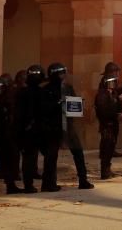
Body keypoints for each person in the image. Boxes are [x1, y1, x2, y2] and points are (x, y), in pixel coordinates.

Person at [37, 63, 93, 191]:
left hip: (68, 125)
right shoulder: (46, 90)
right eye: (61, 73)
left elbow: (73, 104)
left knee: (78, 152)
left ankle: (83, 180)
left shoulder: (68, 87)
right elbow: (44, 108)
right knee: (51, 156)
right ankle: (48, 183)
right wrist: (57, 103)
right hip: (53, 127)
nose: (64, 76)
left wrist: (78, 104)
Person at [16, 64, 44, 193]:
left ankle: (30, 181)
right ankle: (28, 184)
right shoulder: (37, 92)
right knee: (29, 157)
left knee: (30, 156)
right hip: (30, 128)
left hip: (27, 128)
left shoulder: (22, 92)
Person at [94, 75, 122, 180]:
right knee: (106, 147)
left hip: (114, 123)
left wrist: (120, 112)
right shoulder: (102, 95)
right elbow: (103, 111)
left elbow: (117, 106)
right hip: (106, 124)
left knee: (111, 147)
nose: (113, 84)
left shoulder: (114, 94)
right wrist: (115, 114)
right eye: (111, 82)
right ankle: (104, 171)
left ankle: (108, 169)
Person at [97, 62, 122, 158]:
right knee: (106, 133)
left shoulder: (112, 81)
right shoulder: (106, 81)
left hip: (112, 110)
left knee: (114, 132)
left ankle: (111, 150)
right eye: (116, 71)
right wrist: (116, 99)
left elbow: (114, 93)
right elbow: (106, 97)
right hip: (106, 112)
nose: (118, 74)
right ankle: (105, 152)